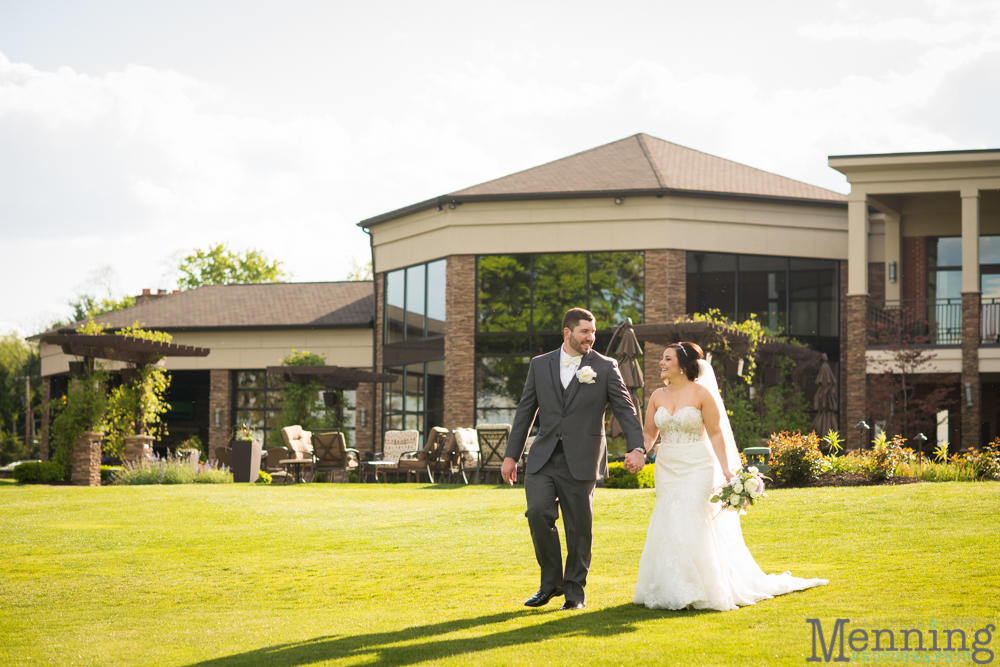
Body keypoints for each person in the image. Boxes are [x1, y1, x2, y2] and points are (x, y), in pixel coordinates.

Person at [633, 341, 829, 611]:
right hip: (668, 467)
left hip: (698, 466)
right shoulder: (657, 396)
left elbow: (715, 433)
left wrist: (726, 470)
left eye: (667, 359)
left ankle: (703, 587)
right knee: (669, 517)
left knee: (691, 515)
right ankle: (670, 586)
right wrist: (638, 453)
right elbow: (649, 434)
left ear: (683, 365)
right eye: (662, 359)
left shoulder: (703, 394)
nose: (661, 363)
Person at [502, 308, 645, 610]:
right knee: (538, 513)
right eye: (585, 332)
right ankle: (550, 583)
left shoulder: (605, 367)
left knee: (579, 527)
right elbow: (525, 411)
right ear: (567, 333)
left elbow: (626, 409)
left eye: (593, 332)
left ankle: (574, 593)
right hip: (543, 457)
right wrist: (511, 455)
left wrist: (637, 447)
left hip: (583, 458)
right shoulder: (540, 365)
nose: (591, 338)